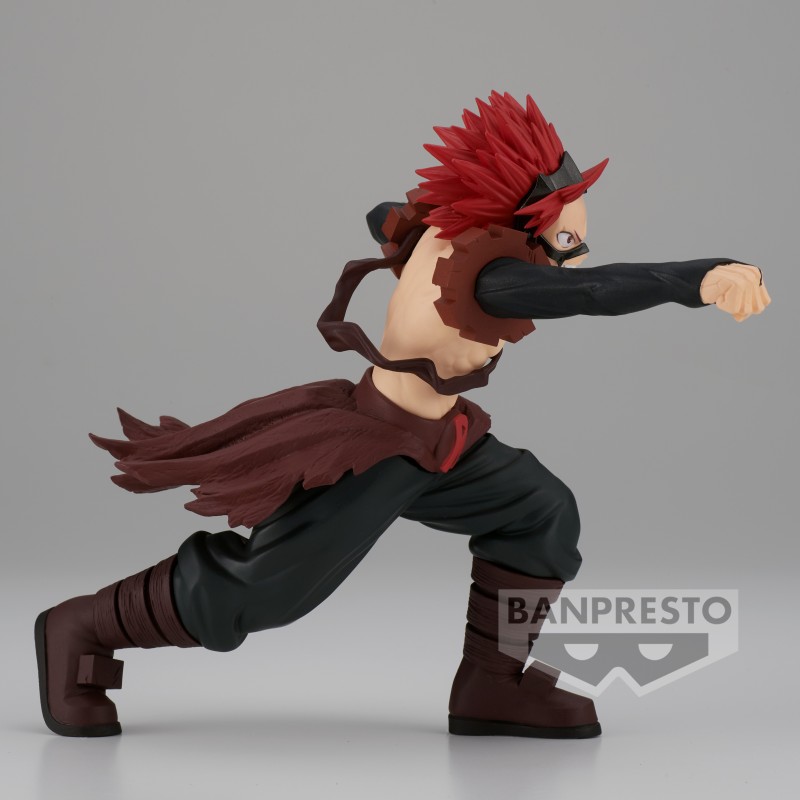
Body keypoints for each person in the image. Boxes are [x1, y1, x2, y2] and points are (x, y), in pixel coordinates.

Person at [35, 91, 769, 739]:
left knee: (540, 511)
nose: (572, 258)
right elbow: (592, 293)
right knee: (269, 591)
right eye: (567, 242)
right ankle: (83, 627)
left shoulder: (438, 231)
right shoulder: (492, 278)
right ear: (524, 222)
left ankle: (493, 685)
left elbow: (382, 215)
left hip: (444, 441)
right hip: (376, 447)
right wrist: (699, 279)